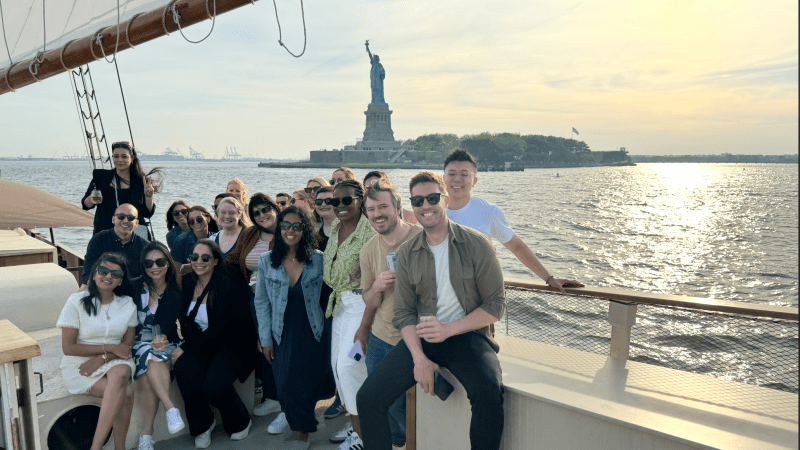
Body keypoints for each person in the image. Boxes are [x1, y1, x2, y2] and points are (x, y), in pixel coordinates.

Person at [357, 171, 506, 450]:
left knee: (488, 393)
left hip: (467, 335)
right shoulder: (409, 251)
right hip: (421, 338)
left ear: (446, 200)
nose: (425, 206)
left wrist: (449, 329)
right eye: (418, 201)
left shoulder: (477, 244)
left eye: (432, 198)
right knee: (368, 398)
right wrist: (419, 359)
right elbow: (403, 313)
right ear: (411, 206)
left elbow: (495, 305)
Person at [443, 148, 582, 293]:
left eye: (464, 174)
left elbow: (516, 246)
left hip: (480, 299)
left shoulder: (488, 212)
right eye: (451, 174)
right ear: (443, 178)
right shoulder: (425, 210)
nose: (457, 179)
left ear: (474, 181)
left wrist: (548, 278)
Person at [172, 240, 257, 448]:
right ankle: (203, 424)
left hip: (229, 344)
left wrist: (184, 348)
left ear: (216, 261)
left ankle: (240, 420)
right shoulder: (190, 281)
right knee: (185, 371)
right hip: (201, 342)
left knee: (214, 386)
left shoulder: (226, 286)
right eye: (194, 257)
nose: (198, 262)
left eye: (205, 258)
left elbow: (219, 330)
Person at [356, 179, 421, 449]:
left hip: (413, 337)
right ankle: (398, 443)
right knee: (376, 400)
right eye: (371, 209)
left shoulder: (423, 238)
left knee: (397, 404)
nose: (377, 214)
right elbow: (368, 299)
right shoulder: (369, 250)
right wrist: (376, 287)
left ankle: (417, 441)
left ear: (398, 207)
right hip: (381, 336)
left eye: (383, 206)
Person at [254, 206, 326, 450]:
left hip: (313, 329)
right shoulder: (267, 261)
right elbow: (261, 302)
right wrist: (264, 338)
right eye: (286, 225)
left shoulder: (318, 258)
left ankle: (302, 434)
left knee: (305, 384)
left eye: (297, 225)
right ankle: (299, 425)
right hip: (280, 331)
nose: (291, 230)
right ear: (279, 228)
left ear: (305, 229)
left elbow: (329, 294)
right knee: (284, 385)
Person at [57, 252, 138, 450]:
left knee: (120, 372)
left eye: (115, 274)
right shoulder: (76, 302)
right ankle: (119, 448)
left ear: (120, 281)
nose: (108, 276)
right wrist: (109, 348)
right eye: (104, 271)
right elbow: (69, 348)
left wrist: (103, 358)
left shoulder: (127, 304)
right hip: (79, 363)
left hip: (116, 360)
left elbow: (127, 346)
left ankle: (96, 447)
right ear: (94, 274)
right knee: (125, 392)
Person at [323, 179, 375, 449]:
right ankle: (357, 428)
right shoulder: (334, 230)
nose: (340, 206)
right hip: (340, 307)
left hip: (361, 307)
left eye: (347, 200)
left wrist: (365, 327)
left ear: (360, 200)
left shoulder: (370, 233)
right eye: (335, 201)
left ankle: (364, 437)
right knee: (336, 368)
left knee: (350, 365)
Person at [223, 193, 282, 421]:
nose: (261, 215)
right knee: (264, 345)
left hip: (282, 299)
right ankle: (272, 397)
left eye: (265, 209)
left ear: (274, 208)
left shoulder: (286, 230)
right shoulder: (250, 233)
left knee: (283, 344)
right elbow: (234, 260)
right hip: (256, 300)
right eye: (256, 213)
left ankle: (288, 394)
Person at [131, 242, 185, 450]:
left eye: (160, 261)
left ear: (168, 264)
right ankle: (170, 407)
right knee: (148, 354)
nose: (155, 267)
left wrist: (160, 339)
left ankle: (146, 436)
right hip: (137, 342)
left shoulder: (174, 294)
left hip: (163, 341)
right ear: (143, 266)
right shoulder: (134, 286)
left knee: (147, 374)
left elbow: (165, 326)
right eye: (149, 263)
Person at [81, 141, 161, 238]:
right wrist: (91, 199)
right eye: (116, 156)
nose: (120, 160)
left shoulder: (140, 181)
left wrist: (149, 197)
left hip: (133, 235)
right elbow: (85, 205)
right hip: (105, 233)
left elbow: (147, 213)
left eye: (124, 156)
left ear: (131, 159)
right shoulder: (102, 178)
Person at [82, 204, 147, 289]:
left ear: (137, 223)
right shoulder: (98, 240)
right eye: (121, 217)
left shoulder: (145, 246)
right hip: (103, 287)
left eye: (130, 218)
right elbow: (88, 269)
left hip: (132, 291)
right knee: (83, 290)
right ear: (113, 219)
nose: (125, 221)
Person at [313, 186, 336, 251]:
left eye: (329, 201)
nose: (323, 204)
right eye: (319, 201)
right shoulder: (313, 231)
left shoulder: (350, 230)